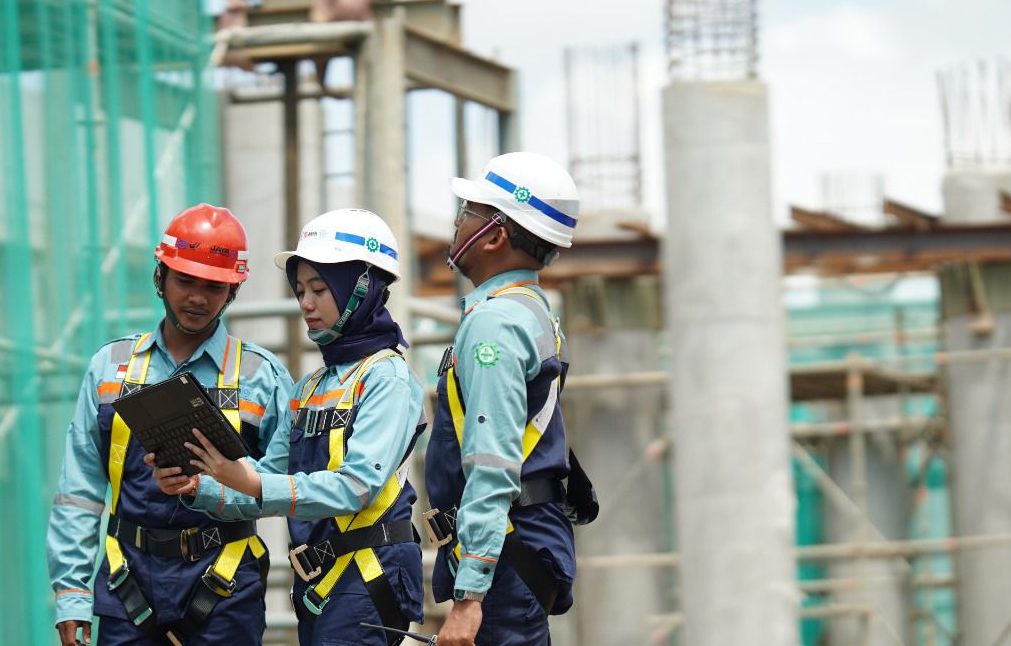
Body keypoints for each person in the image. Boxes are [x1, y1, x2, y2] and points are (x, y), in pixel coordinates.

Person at [153, 208, 427, 646]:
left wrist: (249, 481)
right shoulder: (307, 388)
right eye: (300, 289)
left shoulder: (386, 377)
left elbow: (357, 486)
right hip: (319, 586)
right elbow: (267, 482)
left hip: (368, 580)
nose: (306, 303)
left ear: (361, 289)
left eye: (320, 289)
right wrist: (198, 487)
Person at [47, 204, 294, 646]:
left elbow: (282, 487)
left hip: (226, 586)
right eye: (186, 280)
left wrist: (213, 487)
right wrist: (71, 592)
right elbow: (80, 488)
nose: (198, 297)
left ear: (232, 291)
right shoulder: (111, 368)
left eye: (214, 286)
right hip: (128, 585)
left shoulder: (262, 376)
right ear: (160, 276)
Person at [424, 153, 599, 646]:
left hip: (504, 551)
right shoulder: (530, 310)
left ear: (496, 234)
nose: (458, 222)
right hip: (520, 544)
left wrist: (468, 599)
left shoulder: (495, 323)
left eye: (469, 211)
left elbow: (492, 461)